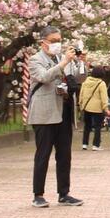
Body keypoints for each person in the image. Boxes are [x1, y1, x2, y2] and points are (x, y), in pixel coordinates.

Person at [28, 26, 83, 208]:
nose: (57, 45)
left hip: (64, 111)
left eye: (59, 40)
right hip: (44, 113)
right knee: (43, 155)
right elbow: (43, 77)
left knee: (65, 155)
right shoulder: (35, 60)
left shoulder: (63, 59)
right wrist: (63, 64)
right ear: (43, 42)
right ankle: (38, 194)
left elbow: (78, 78)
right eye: (53, 41)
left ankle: (64, 193)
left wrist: (78, 62)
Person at [79, 66, 108, 151]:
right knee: (97, 127)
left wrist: (81, 104)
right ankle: (96, 145)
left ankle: (84, 144)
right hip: (97, 108)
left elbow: (81, 94)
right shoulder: (101, 83)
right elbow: (104, 97)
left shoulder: (85, 82)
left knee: (87, 126)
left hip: (86, 107)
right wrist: (105, 108)